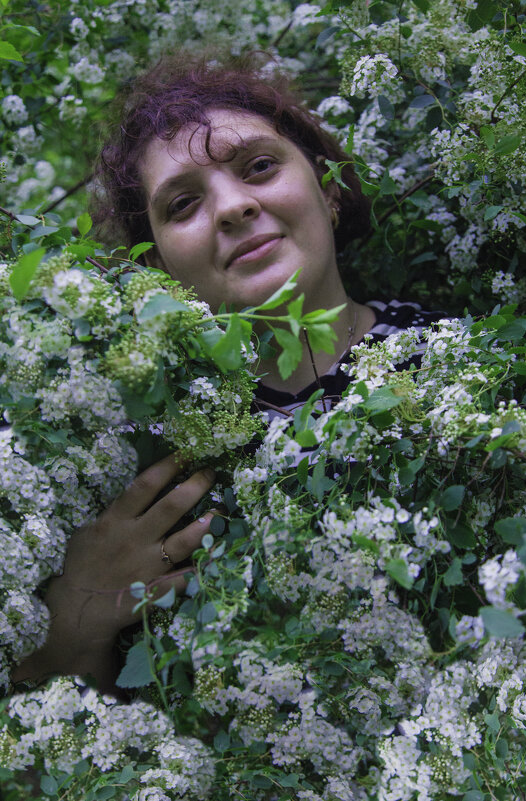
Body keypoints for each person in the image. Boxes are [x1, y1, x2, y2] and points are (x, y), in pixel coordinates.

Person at [12, 53, 442, 694]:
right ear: (156, 267)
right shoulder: (119, 442)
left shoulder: (456, 366)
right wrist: (75, 617)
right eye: (182, 204)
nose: (234, 206)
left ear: (326, 187)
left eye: (260, 167)